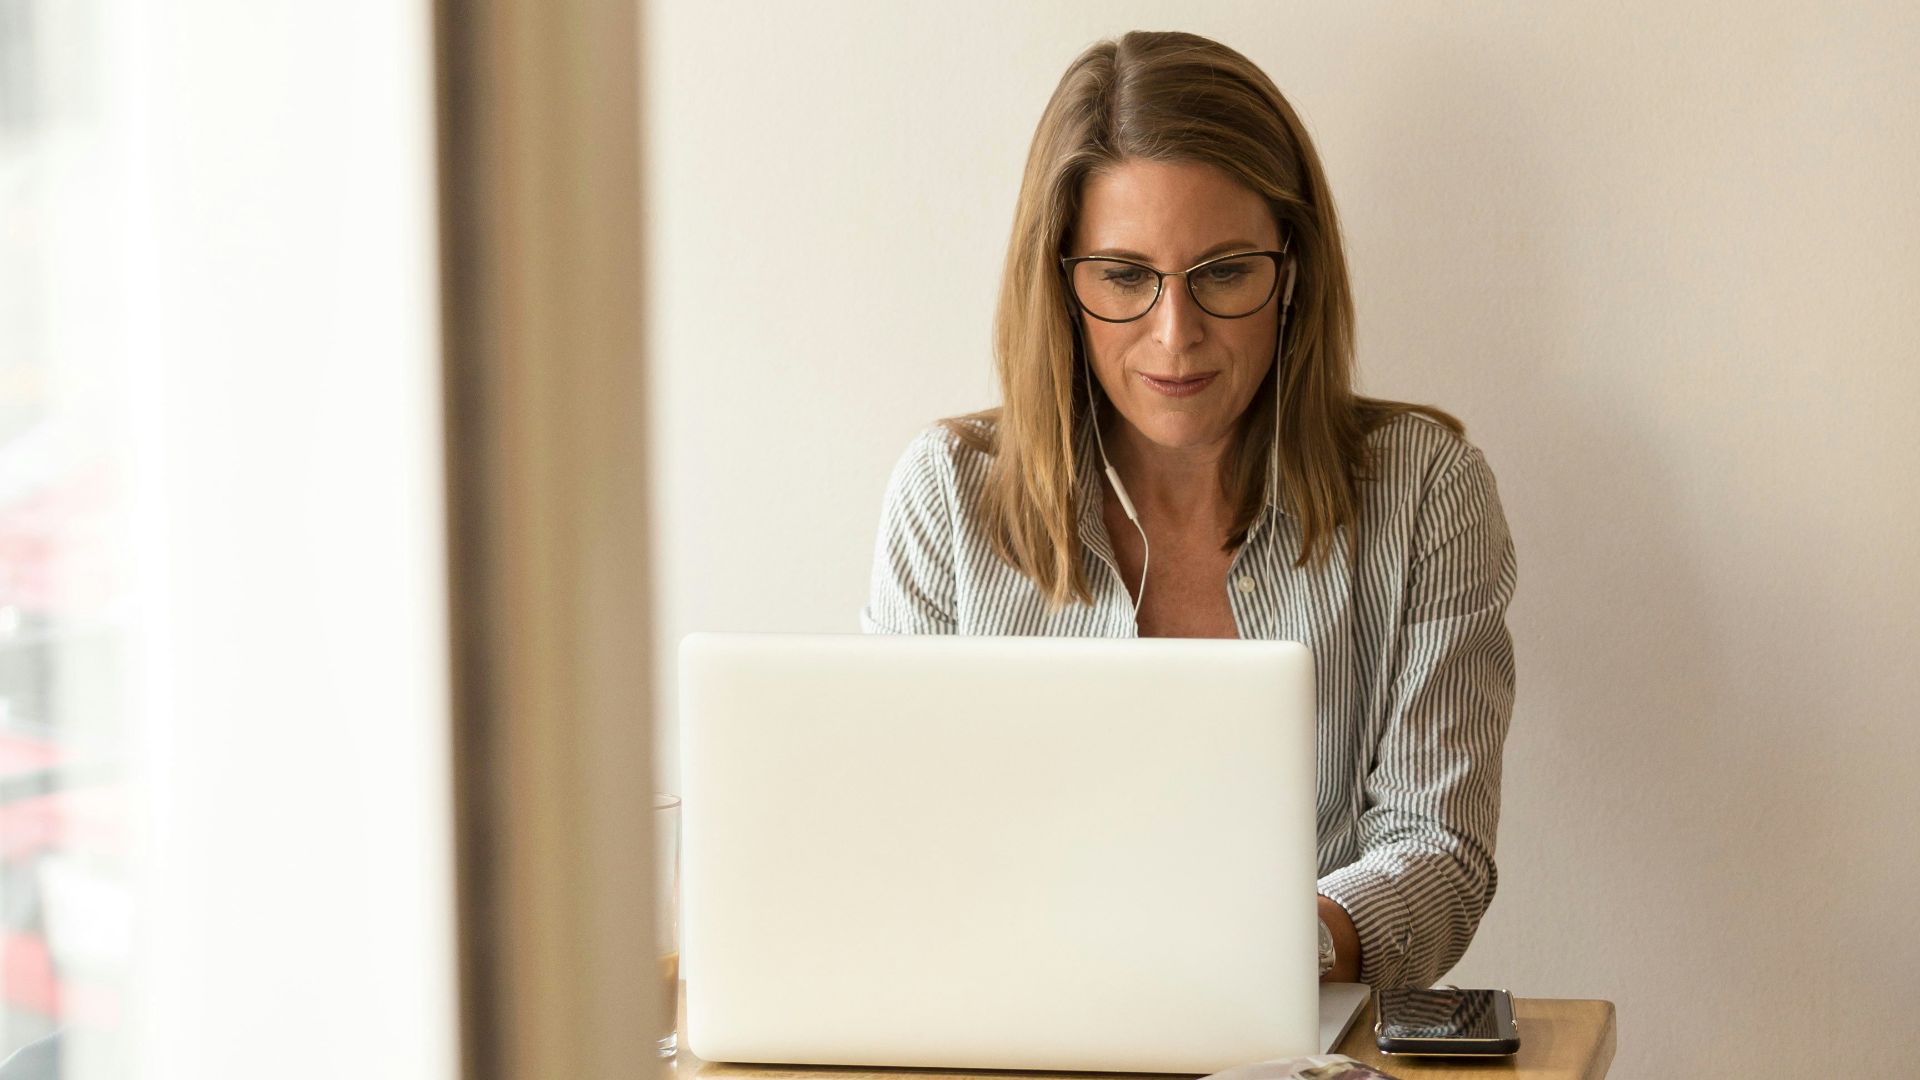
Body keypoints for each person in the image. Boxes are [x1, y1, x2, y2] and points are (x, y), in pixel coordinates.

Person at [860, 30, 1517, 991]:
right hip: (1009, 1034)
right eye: (1125, 277)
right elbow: (894, 842)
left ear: (1291, 270)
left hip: (1301, 1041)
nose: (1176, 336)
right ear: (1061, 283)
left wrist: (1259, 954)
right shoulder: (947, 496)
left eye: (1223, 273)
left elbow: (1440, 854)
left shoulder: (1425, 491)